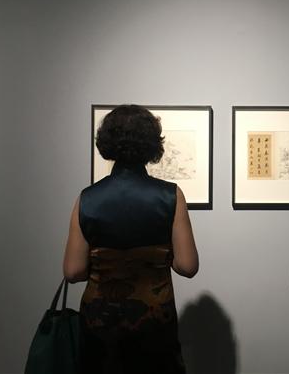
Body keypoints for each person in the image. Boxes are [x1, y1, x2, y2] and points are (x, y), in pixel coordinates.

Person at [63, 104, 199, 374]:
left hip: (100, 325)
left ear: (106, 142)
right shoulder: (171, 195)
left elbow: (73, 271)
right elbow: (187, 266)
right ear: (152, 143)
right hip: (154, 322)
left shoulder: (87, 198)